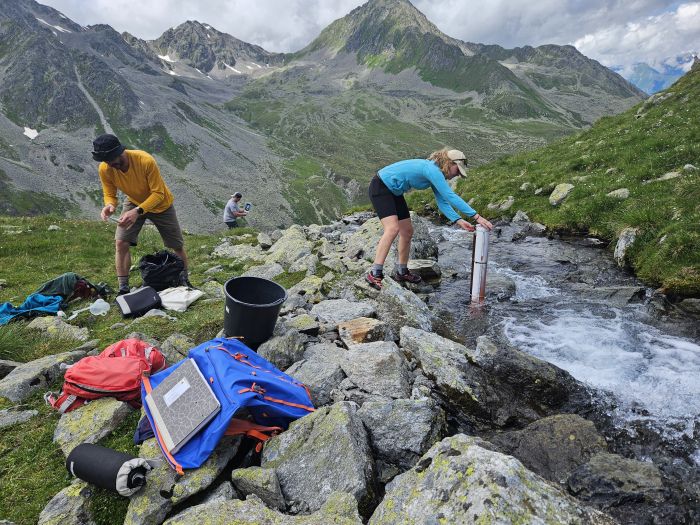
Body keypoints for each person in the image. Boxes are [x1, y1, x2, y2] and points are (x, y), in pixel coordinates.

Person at [366, 148, 494, 289]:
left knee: (407, 231)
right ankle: (375, 273)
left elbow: (442, 202)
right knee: (392, 228)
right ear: (449, 164)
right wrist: (477, 217)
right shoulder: (432, 170)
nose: (457, 175)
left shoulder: (435, 172)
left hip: (394, 192)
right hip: (381, 187)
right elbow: (449, 196)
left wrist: (458, 220)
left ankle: (402, 271)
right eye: (457, 171)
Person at [92, 134, 190, 295]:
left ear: (120, 151)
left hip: (161, 205)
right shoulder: (105, 168)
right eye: (105, 160)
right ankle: (123, 287)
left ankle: (185, 279)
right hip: (134, 201)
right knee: (121, 242)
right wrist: (109, 205)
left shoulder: (145, 160)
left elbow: (158, 194)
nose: (109, 164)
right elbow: (109, 193)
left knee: (176, 245)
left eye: (111, 159)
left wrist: (137, 211)